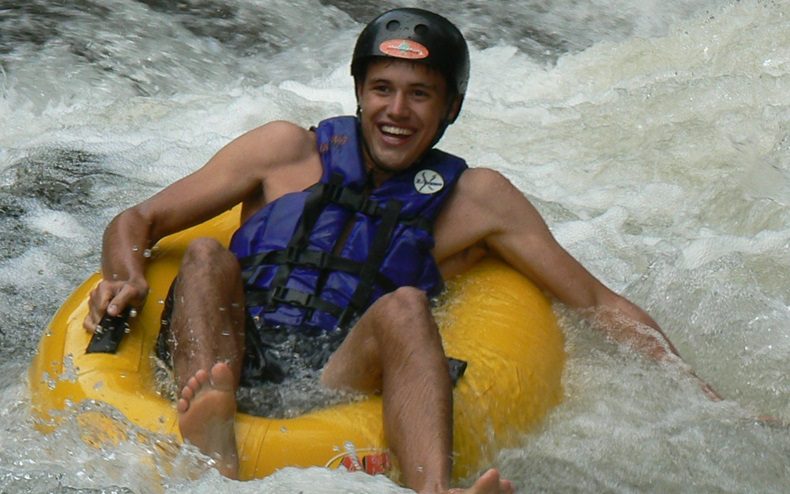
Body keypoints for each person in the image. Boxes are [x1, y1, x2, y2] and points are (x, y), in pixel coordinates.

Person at [83, 8, 716, 494]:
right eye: (383, 88)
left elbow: (597, 300)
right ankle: (210, 433)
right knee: (203, 257)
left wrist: (702, 396)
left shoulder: (478, 199)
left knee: (407, 304)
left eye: (420, 93)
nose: (396, 110)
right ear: (359, 91)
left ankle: (434, 489)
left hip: (338, 369)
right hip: (232, 345)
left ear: (451, 108)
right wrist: (126, 276)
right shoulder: (282, 150)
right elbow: (137, 220)